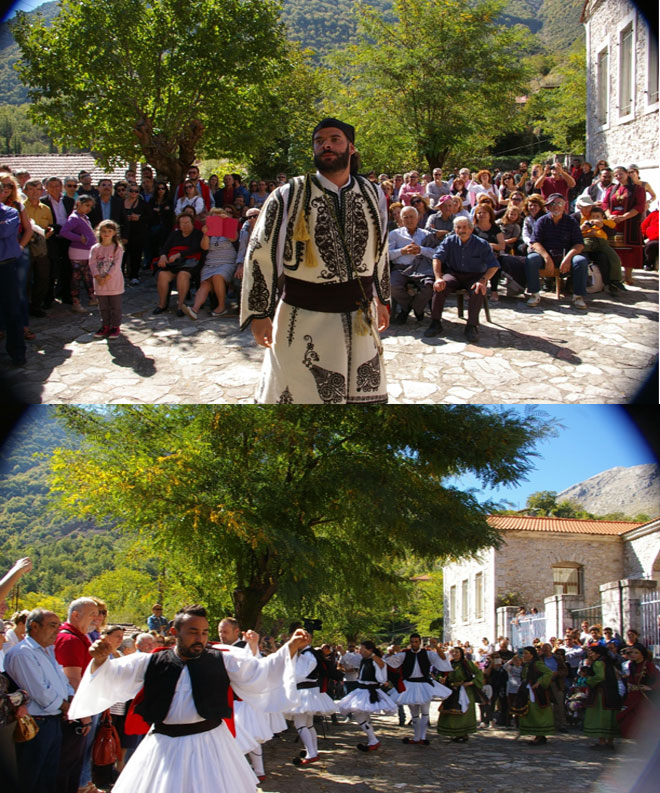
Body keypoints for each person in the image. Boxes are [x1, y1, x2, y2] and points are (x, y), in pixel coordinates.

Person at [68, 605, 310, 793]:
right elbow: (112, 676)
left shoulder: (224, 660)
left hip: (210, 744)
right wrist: (100, 661)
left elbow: (261, 672)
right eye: (193, 632)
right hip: (163, 746)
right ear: (175, 633)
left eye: (204, 632)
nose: (200, 638)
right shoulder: (151, 661)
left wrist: (290, 647)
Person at [240, 117, 390, 404]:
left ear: (351, 148)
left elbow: (380, 249)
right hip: (303, 316)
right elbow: (261, 252)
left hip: (360, 316)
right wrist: (259, 313)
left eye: (334, 139)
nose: (326, 145)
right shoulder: (289, 193)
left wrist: (382, 298)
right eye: (319, 141)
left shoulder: (372, 192)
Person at [4, 609, 71, 793]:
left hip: (52, 721)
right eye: (52, 626)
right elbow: (39, 692)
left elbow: (62, 682)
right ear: (34, 626)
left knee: (47, 778)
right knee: (30, 778)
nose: (57, 631)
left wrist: (70, 699)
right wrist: (67, 707)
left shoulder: (47, 651)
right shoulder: (23, 653)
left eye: (58, 626)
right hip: (35, 722)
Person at [424, 216, 500, 342]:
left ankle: (471, 326)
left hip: (475, 276)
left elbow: (494, 266)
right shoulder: (449, 241)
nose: (461, 230)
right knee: (440, 286)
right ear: (455, 229)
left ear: (471, 229)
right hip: (454, 274)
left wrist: (483, 280)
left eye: (465, 227)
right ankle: (435, 323)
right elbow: (437, 258)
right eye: (458, 227)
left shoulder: (481, 244)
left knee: (478, 289)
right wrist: (438, 278)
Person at [54, 597, 99, 793]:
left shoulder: (80, 637)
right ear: (75, 615)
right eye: (92, 615)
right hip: (76, 713)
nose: (96, 619)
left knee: (75, 761)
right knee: (68, 763)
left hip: (81, 708)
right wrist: (83, 713)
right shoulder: (70, 640)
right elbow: (73, 679)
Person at [384, 633, 451, 745]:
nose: (414, 644)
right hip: (410, 684)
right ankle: (416, 737)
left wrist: (436, 647)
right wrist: (392, 652)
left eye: (416, 642)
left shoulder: (427, 653)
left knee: (425, 712)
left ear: (420, 642)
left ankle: (423, 737)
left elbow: (442, 658)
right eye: (412, 642)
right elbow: (389, 662)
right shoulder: (404, 654)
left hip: (424, 684)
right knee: (414, 713)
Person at [524, 193, 588, 310]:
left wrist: (567, 259)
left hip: (566, 255)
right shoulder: (542, 221)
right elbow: (535, 242)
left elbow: (579, 244)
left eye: (559, 203)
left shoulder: (571, 221)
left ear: (564, 205)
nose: (556, 206)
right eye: (552, 204)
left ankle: (578, 296)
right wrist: (547, 258)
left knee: (581, 261)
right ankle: (534, 294)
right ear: (548, 206)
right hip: (546, 255)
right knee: (531, 259)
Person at [335, 640, 396, 751]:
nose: (360, 651)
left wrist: (372, 655)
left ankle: (373, 740)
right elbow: (350, 659)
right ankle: (372, 740)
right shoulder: (362, 659)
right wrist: (341, 651)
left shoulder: (376, 660)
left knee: (360, 715)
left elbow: (382, 665)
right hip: (362, 690)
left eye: (363, 649)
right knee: (362, 715)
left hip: (370, 690)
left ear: (370, 650)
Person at [182, 209, 237, 320]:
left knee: (217, 276)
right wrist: (206, 234)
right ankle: (194, 309)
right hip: (211, 263)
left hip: (226, 262)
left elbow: (234, 238)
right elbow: (205, 247)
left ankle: (221, 307)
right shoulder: (209, 231)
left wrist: (227, 221)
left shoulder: (228, 229)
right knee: (205, 284)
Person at [388, 205, 436, 324]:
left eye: (412, 217)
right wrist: (402, 251)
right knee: (392, 286)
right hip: (401, 268)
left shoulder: (426, 234)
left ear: (418, 218)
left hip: (421, 268)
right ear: (401, 219)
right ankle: (407, 307)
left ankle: (416, 307)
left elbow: (435, 253)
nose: (409, 220)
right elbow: (387, 255)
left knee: (430, 287)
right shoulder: (394, 234)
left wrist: (421, 250)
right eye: (406, 217)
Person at [153, 214, 206, 316]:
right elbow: (165, 247)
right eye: (183, 223)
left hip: (190, 264)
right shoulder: (175, 234)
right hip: (175, 264)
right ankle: (162, 304)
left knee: (182, 275)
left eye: (187, 222)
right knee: (162, 275)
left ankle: (180, 305)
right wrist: (163, 256)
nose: (185, 225)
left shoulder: (197, 234)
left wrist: (179, 254)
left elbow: (196, 248)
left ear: (192, 223)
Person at [436, 646, 484, 742]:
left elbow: (479, 673)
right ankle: (454, 733)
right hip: (452, 690)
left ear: (461, 653)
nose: (455, 654)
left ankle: (463, 734)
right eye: (453, 652)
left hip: (465, 691)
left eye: (457, 652)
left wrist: (470, 683)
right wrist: (441, 679)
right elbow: (441, 674)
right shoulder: (449, 664)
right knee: (450, 712)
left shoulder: (467, 663)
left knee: (463, 712)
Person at [88, 219, 125, 339]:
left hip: (114, 283)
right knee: (103, 307)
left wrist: (107, 277)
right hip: (100, 283)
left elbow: (116, 265)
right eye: (104, 231)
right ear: (99, 232)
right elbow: (92, 263)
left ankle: (115, 326)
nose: (106, 234)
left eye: (109, 231)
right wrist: (98, 277)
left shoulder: (117, 248)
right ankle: (105, 325)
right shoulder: (95, 248)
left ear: (114, 233)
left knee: (116, 306)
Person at [60, 196, 97, 312]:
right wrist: (79, 238)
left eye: (90, 207)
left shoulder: (84, 217)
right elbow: (64, 232)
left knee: (88, 276)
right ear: (79, 204)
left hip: (86, 252)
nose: (88, 209)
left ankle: (92, 298)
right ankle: (76, 302)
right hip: (78, 252)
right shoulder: (74, 218)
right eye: (87, 205)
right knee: (77, 278)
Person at [583, 644, 621, 749]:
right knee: (611, 715)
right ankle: (610, 741)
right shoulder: (609, 662)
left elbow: (600, 677)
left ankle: (602, 741)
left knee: (601, 715)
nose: (590, 654)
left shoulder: (598, 663)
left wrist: (589, 681)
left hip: (601, 693)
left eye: (592, 652)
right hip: (612, 691)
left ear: (598, 653)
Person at [513, 645, 554, 745]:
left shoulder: (537, 664)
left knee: (537, 712)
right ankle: (538, 735)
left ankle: (540, 735)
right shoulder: (526, 665)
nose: (524, 655)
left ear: (532, 655)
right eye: (524, 653)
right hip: (527, 691)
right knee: (531, 712)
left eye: (526, 654)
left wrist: (539, 682)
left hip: (537, 693)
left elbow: (548, 673)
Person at [617, 643, 659, 738]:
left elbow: (658, 678)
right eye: (631, 652)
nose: (633, 655)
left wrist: (651, 687)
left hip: (644, 697)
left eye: (636, 653)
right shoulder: (631, 665)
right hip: (633, 695)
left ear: (642, 654)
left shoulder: (648, 665)